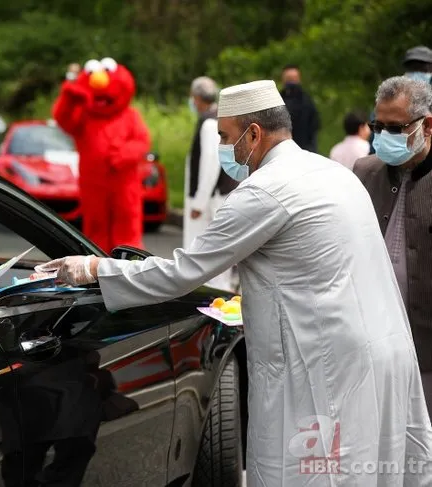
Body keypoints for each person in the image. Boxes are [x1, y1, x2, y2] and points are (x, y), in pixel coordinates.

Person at [37, 79, 432, 486]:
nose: (225, 148)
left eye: (226, 137)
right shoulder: (332, 173)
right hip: (381, 355)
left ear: (254, 133)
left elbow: (181, 272)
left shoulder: (264, 191)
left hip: (325, 369)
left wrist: (94, 270)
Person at [352, 76, 432, 419]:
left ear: (427, 125)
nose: (384, 137)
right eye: (378, 126)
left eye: (396, 128)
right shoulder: (364, 173)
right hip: (373, 343)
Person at [52, 58, 150, 252]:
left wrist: (122, 155)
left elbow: (142, 142)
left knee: (126, 222)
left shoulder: (130, 116)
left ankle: (129, 259)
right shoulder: (84, 116)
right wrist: (69, 98)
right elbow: (63, 120)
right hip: (93, 185)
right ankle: (97, 259)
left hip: (124, 184)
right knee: (95, 225)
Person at [184, 76, 238, 291]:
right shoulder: (216, 118)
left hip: (210, 200)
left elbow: (211, 163)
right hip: (215, 196)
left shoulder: (209, 122)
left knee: (206, 252)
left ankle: (213, 295)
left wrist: (199, 202)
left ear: (197, 98)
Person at [369, 45, 432, 154]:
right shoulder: (390, 98)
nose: (417, 73)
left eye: (423, 68)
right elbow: (375, 140)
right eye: (412, 68)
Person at [280, 64, 320, 152]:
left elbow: (314, 125)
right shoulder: (278, 100)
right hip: (283, 151)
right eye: (289, 79)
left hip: (304, 150)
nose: (291, 82)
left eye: (293, 79)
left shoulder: (307, 101)